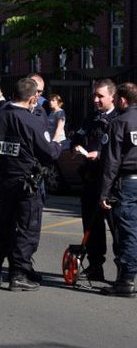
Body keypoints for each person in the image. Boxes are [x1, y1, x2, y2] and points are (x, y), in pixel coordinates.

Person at [0, 77, 62, 291]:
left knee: (2, 225)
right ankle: (18, 274)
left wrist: (2, 164)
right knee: (27, 228)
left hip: (4, 180)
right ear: (33, 96)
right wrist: (58, 143)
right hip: (27, 182)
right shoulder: (31, 120)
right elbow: (48, 153)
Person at [71, 79, 118, 281]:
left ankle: (124, 271)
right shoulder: (91, 118)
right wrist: (76, 146)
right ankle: (95, 266)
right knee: (92, 225)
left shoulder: (119, 119)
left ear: (112, 97)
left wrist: (98, 154)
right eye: (94, 95)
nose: (96, 99)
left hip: (111, 183)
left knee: (118, 228)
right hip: (91, 178)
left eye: (100, 96)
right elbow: (77, 136)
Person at [99, 82, 137, 297]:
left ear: (122, 100)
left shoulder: (120, 122)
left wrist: (104, 192)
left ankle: (126, 280)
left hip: (128, 182)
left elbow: (112, 161)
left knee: (128, 231)